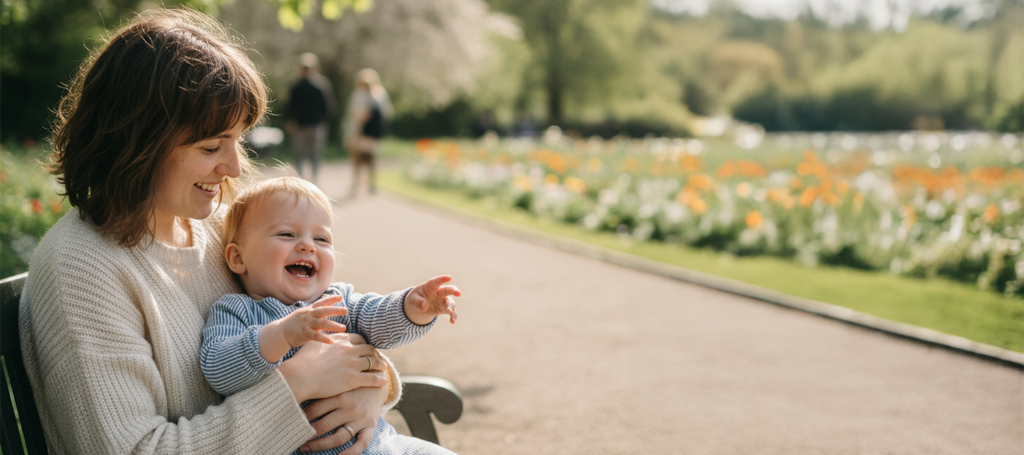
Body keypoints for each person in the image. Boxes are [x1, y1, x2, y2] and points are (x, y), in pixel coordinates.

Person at [20, 9, 395, 454]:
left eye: (239, 140)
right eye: (211, 146)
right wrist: (297, 384)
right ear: (138, 144)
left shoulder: (219, 226)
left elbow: (334, 333)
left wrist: (371, 388)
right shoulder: (82, 269)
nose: (235, 167)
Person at [201, 176, 461, 454]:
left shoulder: (338, 300)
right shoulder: (236, 310)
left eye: (321, 238)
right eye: (287, 234)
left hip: (383, 444)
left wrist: (412, 307)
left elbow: (379, 321)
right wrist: (282, 334)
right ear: (238, 258)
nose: (308, 246)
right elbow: (220, 370)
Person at [288, 52, 334, 185]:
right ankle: (303, 182)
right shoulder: (319, 86)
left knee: (310, 155)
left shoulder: (313, 86)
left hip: (312, 125)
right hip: (305, 126)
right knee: (302, 155)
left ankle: (311, 182)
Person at [344, 68, 392, 196]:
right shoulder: (357, 94)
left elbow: (387, 112)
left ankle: (372, 184)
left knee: (371, 158)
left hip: (372, 132)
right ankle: (356, 183)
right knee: (357, 158)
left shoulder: (380, 94)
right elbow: (352, 112)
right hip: (359, 131)